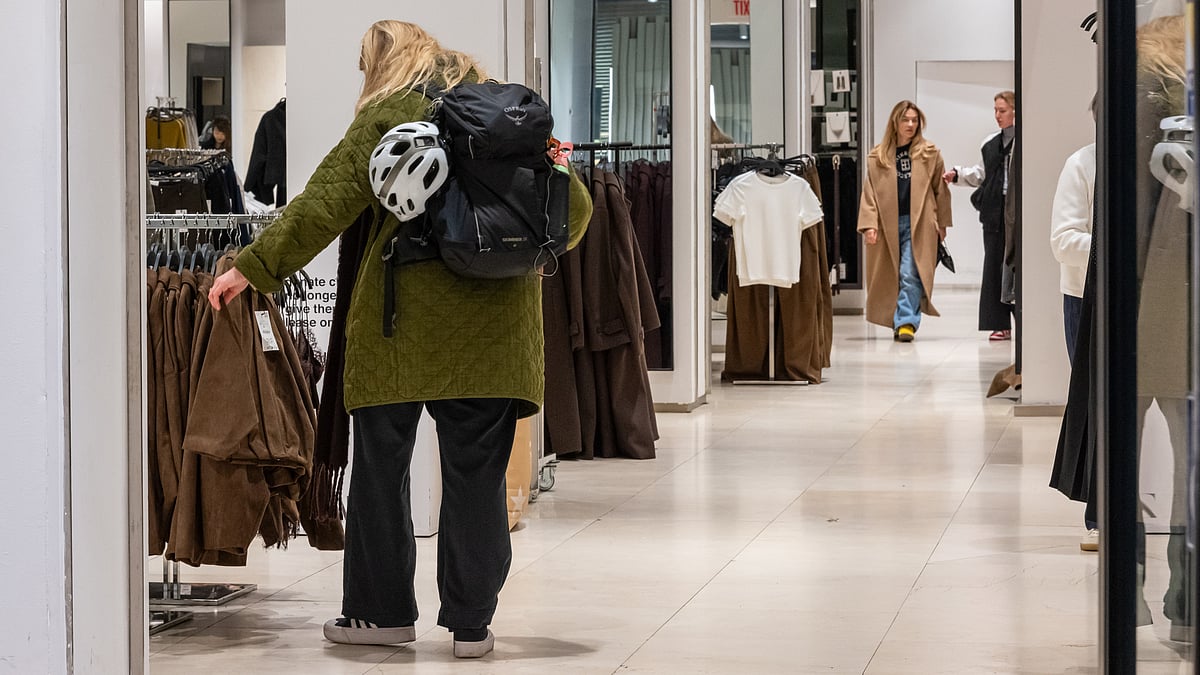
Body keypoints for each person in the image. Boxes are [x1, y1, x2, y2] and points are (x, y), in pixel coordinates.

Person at [207, 20, 593, 658]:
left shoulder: (390, 113)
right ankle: (471, 627)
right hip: (497, 333)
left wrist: (253, 267)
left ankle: (379, 614)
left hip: (398, 328)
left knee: (381, 473)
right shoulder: (508, 114)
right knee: (478, 476)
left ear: (381, 62)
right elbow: (573, 215)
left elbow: (321, 204)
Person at [857, 100, 953, 342]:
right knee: (890, 276)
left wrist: (942, 223)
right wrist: (869, 224)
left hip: (919, 224)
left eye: (914, 120)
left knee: (911, 272)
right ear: (895, 122)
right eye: (905, 120)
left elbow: (940, 190)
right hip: (888, 225)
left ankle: (906, 321)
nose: (910, 125)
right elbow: (869, 194)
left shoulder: (930, 154)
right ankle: (897, 318)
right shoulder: (878, 157)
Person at [1048, 101, 1096, 548]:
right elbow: (1063, 239)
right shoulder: (1081, 164)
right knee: (1096, 404)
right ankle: (1100, 516)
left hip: (1151, 298)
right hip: (1087, 299)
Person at [943, 91, 1016, 341]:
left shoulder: (1027, 139)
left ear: (1015, 111)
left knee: (1017, 266)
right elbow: (980, 174)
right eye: (995, 110)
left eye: (1002, 110)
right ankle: (999, 323)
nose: (997, 115)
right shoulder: (990, 143)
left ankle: (1025, 320)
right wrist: (957, 174)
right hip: (994, 213)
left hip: (1017, 212)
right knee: (994, 267)